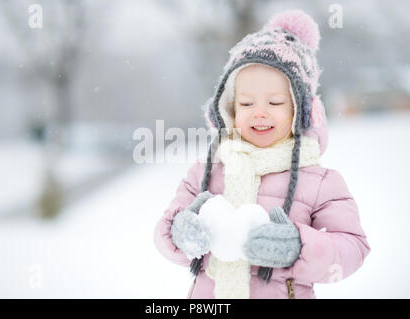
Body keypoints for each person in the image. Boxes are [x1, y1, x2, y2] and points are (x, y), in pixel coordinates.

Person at [153, 9, 371, 299]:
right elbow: (164, 230)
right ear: (228, 109)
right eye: (245, 103)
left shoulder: (320, 182)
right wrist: (181, 234)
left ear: (302, 111)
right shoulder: (209, 170)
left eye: (275, 101)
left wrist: (298, 247)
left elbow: (352, 248)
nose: (259, 112)